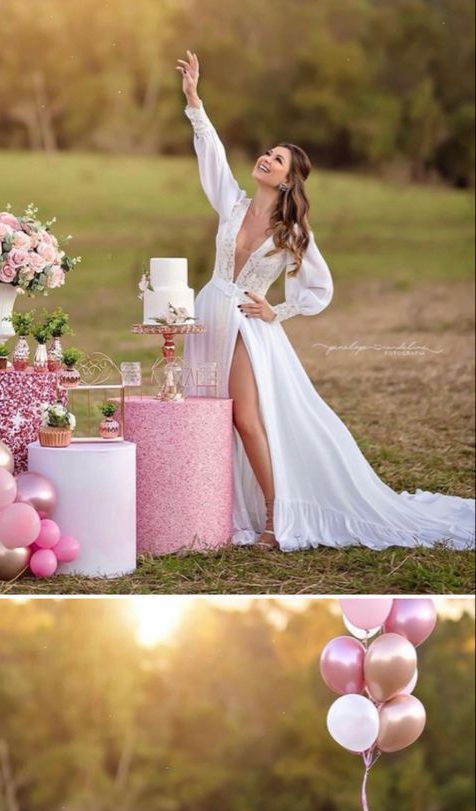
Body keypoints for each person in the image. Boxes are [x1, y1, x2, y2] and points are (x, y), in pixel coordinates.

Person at [177, 51, 475, 553]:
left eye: (277, 159)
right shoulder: (232, 203)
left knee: (246, 419)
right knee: (208, 416)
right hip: (208, 314)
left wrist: (279, 311)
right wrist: (194, 101)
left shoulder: (292, 232)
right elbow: (212, 155)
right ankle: (213, 509)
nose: (265, 159)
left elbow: (320, 290)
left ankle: (276, 518)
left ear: (288, 179)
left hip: (248, 324)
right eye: (267, 152)